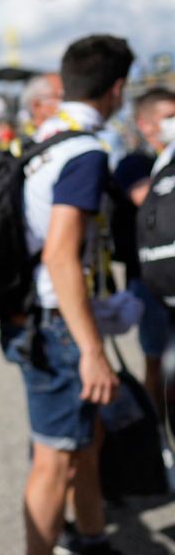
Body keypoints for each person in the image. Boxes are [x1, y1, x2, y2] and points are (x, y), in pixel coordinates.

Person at [0, 34, 133, 555]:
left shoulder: (44, 137)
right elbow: (60, 255)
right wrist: (91, 349)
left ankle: (93, 541)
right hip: (57, 322)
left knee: (85, 440)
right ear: (117, 89)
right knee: (55, 457)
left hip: (34, 314)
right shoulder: (83, 151)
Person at [111, 87, 175, 414]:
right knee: (156, 362)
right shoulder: (134, 163)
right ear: (145, 123)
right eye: (168, 117)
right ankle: (155, 437)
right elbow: (145, 199)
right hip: (149, 281)